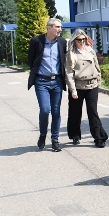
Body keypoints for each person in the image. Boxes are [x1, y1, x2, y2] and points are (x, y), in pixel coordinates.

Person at [27, 18, 67, 152]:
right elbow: (31, 60)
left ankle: (55, 140)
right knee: (45, 110)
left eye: (60, 27)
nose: (60, 29)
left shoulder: (62, 42)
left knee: (56, 111)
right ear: (49, 28)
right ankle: (43, 135)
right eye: (57, 27)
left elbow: (64, 60)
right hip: (41, 81)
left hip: (57, 81)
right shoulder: (36, 41)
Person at [64, 29, 108, 148]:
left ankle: (99, 137)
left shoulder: (90, 51)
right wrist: (72, 89)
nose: (82, 42)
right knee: (75, 112)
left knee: (92, 111)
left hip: (92, 84)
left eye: (84, 39)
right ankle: (75, 135)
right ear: (74, 40)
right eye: (79, 40)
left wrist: (98, 80)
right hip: (78, 86)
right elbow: (69, 73)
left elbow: (97, 67)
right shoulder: (71, 54)